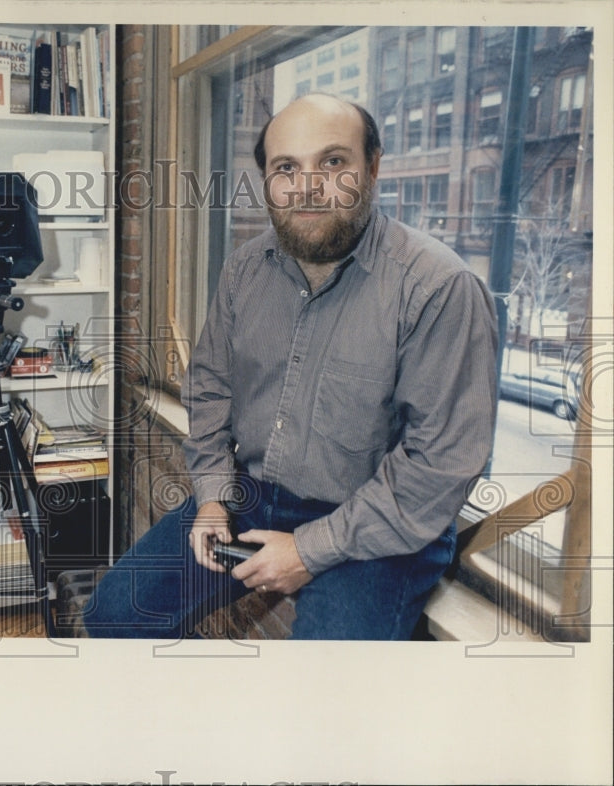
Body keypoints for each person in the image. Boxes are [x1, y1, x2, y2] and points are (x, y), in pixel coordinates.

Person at [84, 93, 498, 640]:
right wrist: (211, 498)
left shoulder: (439, 287)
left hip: (379, 526)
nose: (307, 186)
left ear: (372, 168)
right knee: (114, 613)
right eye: (286, 168)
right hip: (251, 498)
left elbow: (439, 465)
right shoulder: (245, 269)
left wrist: (308, 550)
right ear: (266, 182)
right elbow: (209, 389)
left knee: (319, 693)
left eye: (332, 162)